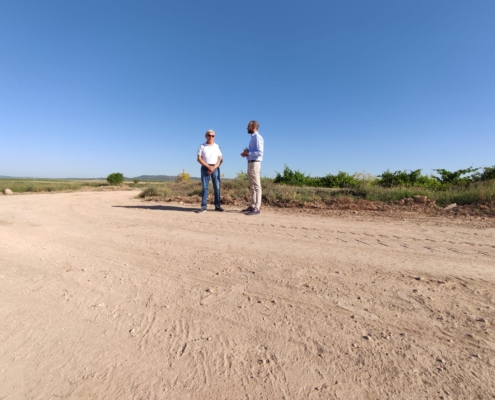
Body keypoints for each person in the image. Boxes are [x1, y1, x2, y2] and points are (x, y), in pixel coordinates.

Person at [240, 120, 264, 215]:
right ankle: (253, 205)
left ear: (253, 127)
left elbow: (259, 153)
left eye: (248, 126)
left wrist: (248, 153)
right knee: (252, 185)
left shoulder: (258, 137)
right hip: (250, 162)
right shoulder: (253, 138)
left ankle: (257, 207)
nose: (247, 128)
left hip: (255, 163)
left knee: (256, 185)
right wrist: (246, 154)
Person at [197, 130, 223, 212]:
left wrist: (213, 167)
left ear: (214, 137)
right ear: (206, 136)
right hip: (205, 167)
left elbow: (220, 159)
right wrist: (208, 167)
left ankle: (217, 205)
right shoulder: (202, 146)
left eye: (212, 136)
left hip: (215, 167)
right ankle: (204, 206)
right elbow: (199, 158)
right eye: (209, 135)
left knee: (217, 187)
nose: (210, 137)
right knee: (205, 187)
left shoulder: (217, 146)